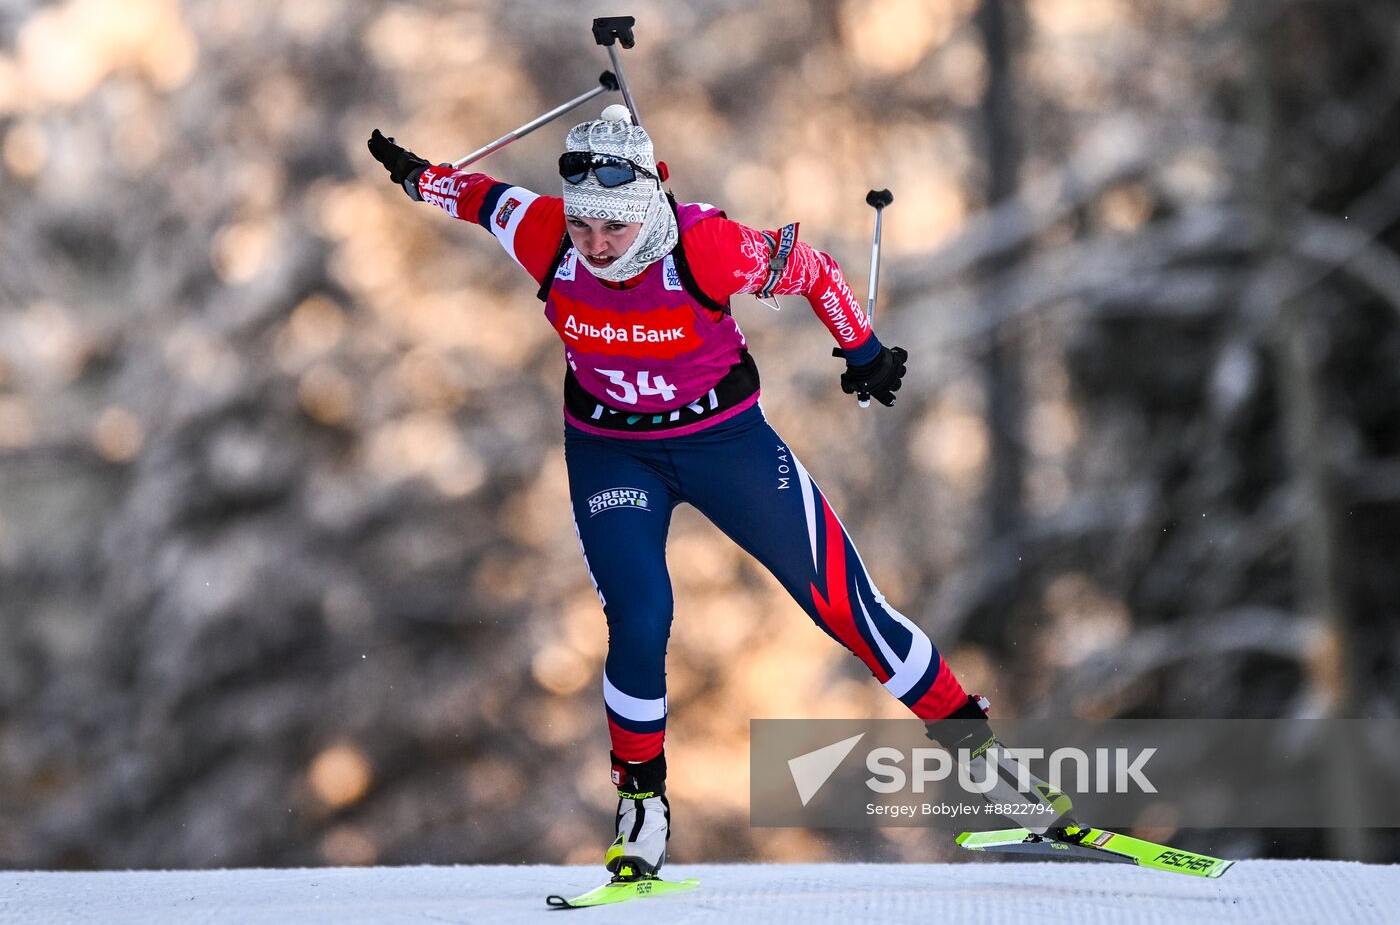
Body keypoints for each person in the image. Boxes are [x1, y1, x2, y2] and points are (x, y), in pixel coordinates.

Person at [367, 109, 1071, 880]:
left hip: (724, 445)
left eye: (611, 229)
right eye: (583, 228)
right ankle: (641, 810)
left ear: (642, 211)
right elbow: (473, 196)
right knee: (640, 616)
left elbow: (813, 268)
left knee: (846, 604)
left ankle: (996, 774)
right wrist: (414, 175)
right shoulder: (543, 234)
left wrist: (862, 351)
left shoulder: (706, 246)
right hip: (613, 453)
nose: (595, 247)